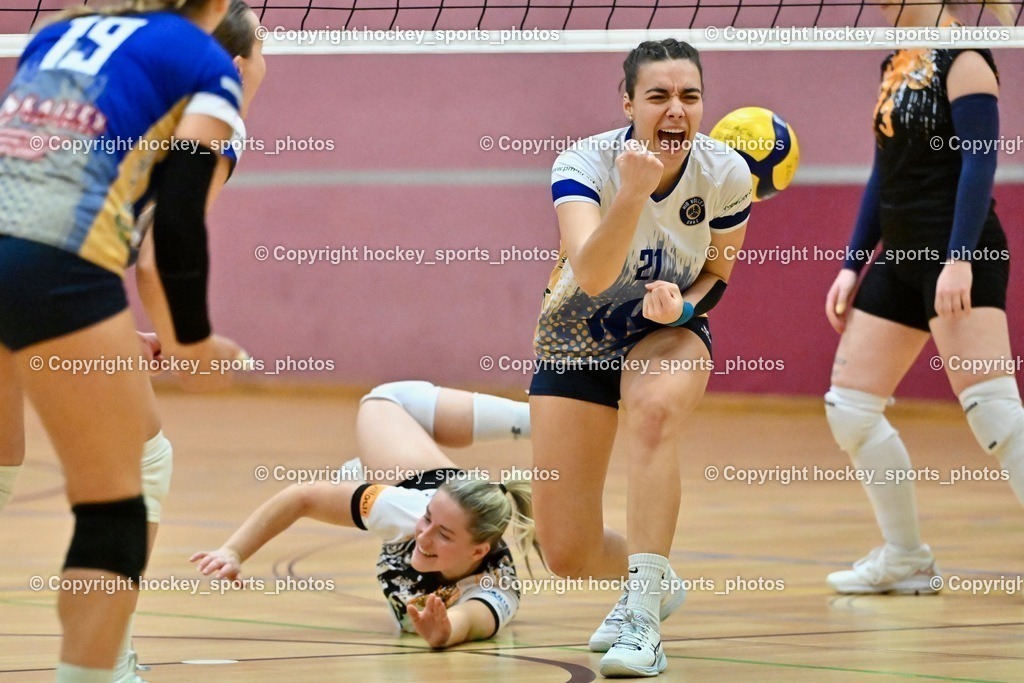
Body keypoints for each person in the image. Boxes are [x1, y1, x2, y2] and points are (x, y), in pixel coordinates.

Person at [0, 1, 248, 680]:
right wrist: (194, 346)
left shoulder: (53, 36)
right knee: (114, 506)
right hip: (57, 269)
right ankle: (102, 672)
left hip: (33, 266)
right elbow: (172, 234)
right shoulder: (206, 66)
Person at [528, 39, 752, 677]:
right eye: (658, 96)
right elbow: (593, 275)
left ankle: (643, 621)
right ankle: (654, 581)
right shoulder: (584, 164)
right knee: (566, 552)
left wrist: (680, 311)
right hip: (576, 336)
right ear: (628, 102)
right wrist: (632, 192)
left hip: (668, 331)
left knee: (653, 414)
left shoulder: (725, 173)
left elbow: (716, 273)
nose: (675, 109)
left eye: (690, 96)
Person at [823, 0, 1022, 594]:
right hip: (902, 258)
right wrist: (853, 263)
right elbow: (885, 171)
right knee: (851, 408)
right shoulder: (897, 62)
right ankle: (907, 559)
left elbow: (979, 163)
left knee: (995, 415)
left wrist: (960, 258)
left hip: (957, 253)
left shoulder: (964, 59)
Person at [190, 381, 539, 648]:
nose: (424, 536)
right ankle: (540, 420)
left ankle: (355, 476)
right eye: (428, 522)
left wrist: (444, 633)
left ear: (478, 552)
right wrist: (233, 551)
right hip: (410, 481)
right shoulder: (406, 510)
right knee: (382, 399)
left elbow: (470, 620)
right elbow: (303, 496)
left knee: (357, 479)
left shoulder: (495, 587)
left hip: (404, 488)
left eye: (444, 535)